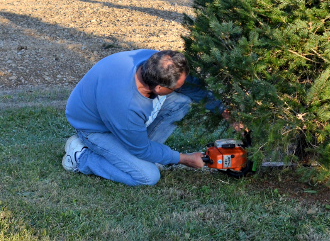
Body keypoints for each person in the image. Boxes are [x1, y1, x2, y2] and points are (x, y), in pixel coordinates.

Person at [62, 49, 225, 186]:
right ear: (159, 88)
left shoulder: (157, 62)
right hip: (94, 128)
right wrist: (184, 159)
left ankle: (133, 153)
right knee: (147, 175)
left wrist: (225, 112)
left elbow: (191, 86)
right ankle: (81, 155)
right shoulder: (127, 105)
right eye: (177, 87)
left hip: (116, 116)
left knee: (182, 102)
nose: (181, 88)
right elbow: (141, 149)